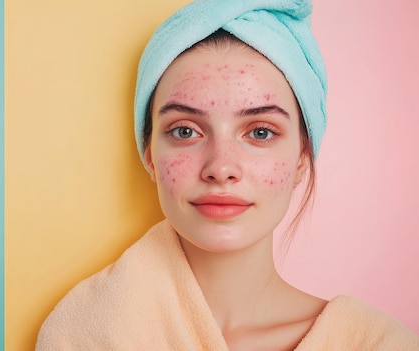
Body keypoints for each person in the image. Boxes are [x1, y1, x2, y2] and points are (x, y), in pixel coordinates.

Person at [36, 0, 419, 349]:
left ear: (302, 156)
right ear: (150, 154)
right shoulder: (79, 335)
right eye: (185, 131)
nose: (220, 168)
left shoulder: (378, 343)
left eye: (260, 132)